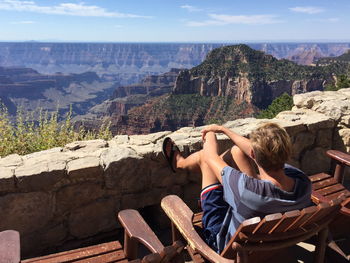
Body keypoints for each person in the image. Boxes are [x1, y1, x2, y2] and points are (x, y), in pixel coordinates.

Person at [162, 122, 312, 253]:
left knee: (203, 158)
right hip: (269, 242)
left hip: (224, 244)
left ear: (253, 153)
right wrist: (224, 130)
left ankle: (179, 164)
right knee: (237, 151)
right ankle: (184, 164)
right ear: (286, 152)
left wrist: (210, 134)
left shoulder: (246, 189)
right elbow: (247, 151)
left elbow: (209, 157)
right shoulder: (303, 182)